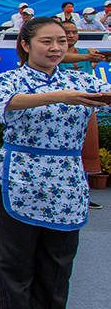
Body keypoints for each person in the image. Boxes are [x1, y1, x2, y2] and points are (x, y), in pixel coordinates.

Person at [0, 17, 108, 309]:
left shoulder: (83, 79)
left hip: (67, 179)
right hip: (21, 175)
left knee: (58, 263)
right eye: (46, 41)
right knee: (15, 260)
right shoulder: (10, 79)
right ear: (25, 44)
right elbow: (4, 106)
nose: (56, 48)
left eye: (62, 41)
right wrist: (63, 97)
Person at [59, 20, 105, 205]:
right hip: (63, 108)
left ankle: (82, 193)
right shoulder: (56, 54)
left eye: (74, 32)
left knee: (85, 150)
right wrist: (87, 58)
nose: (71, 35)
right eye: (67, 32)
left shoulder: (88, 52)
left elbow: (91, 77)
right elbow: (63, 60)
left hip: (86, 109)